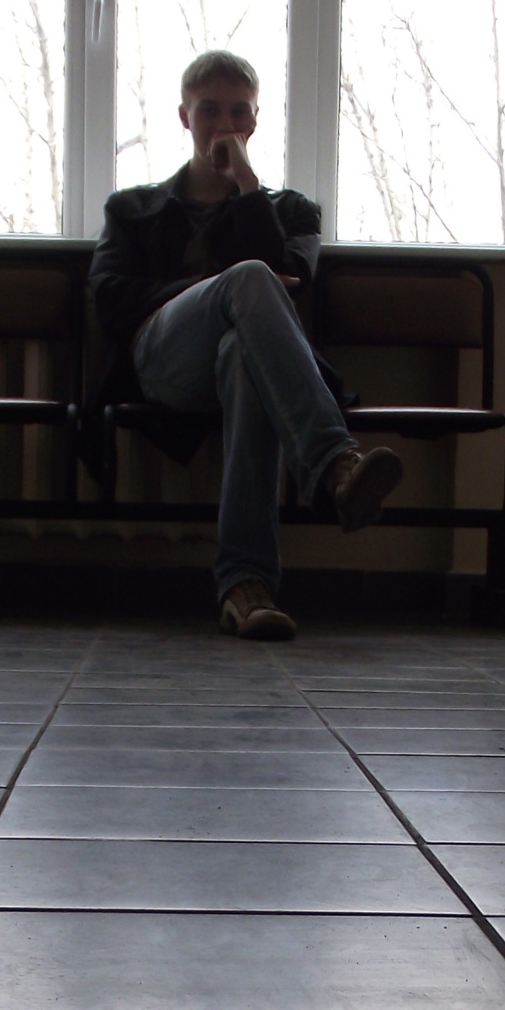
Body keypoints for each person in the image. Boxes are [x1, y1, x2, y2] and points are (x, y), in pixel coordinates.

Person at [86, 50, 403, 641]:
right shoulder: (131, 209)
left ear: (254, 121)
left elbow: (292, 283)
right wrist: (218, 289)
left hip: (248, 367)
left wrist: (247, 187)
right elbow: (111, 302)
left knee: (242, 354)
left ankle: (245, 587)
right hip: (161, 362)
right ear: (186, 117)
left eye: (238, 111)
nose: (224, 124)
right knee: (250, 279)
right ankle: (334, 463)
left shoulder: (292, 211)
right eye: (210, 110)